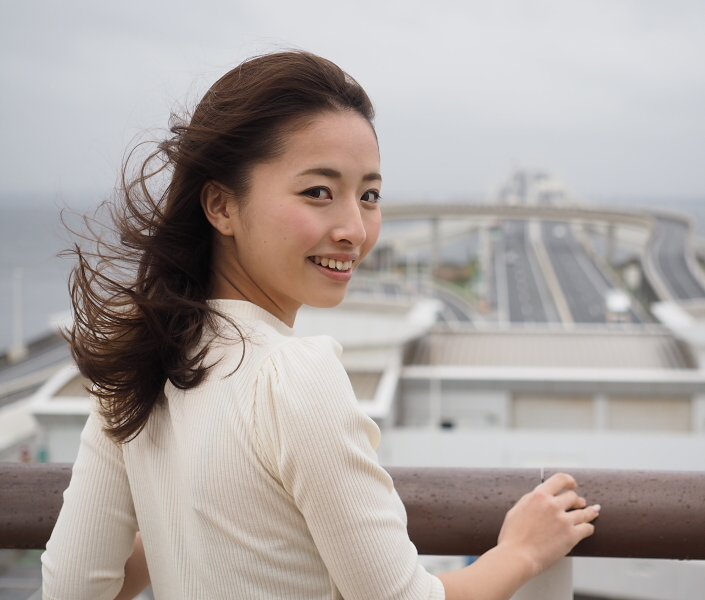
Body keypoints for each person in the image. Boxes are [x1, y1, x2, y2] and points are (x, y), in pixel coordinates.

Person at [41, 50, 599, 600]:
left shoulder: (140, 363)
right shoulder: (293, 375)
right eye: (318, 192)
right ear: (221, 205)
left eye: (369, 195)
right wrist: (522, 552)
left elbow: (72, 589)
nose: (354, 228)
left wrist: (175, 525)